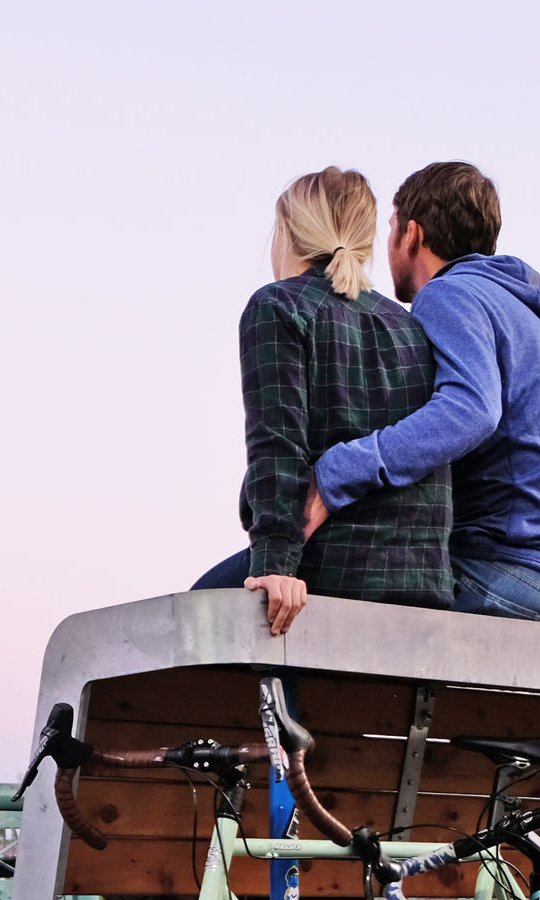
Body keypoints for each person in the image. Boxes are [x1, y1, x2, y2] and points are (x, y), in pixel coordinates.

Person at [309, 162, 540, 627]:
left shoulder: (448, 295)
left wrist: (338, 472)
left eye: (390, 230)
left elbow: (471, 411)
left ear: (411, 234)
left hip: (508, 573)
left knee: (269, 592)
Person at [191, 167, 452, 636]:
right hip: (421, 585)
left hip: (329, 571)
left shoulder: (277, 306)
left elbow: (277, 446)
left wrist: (275, 564)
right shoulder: (415, 330)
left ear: (290, 233)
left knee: (191, 619)